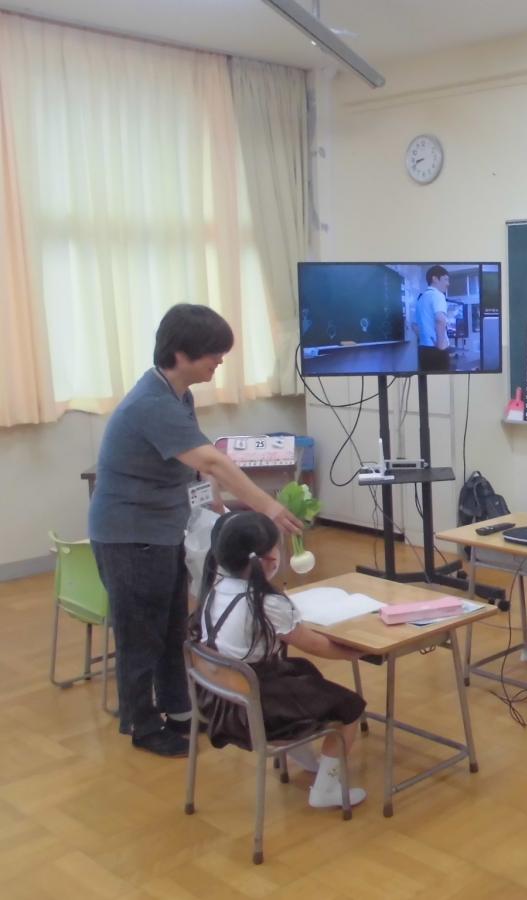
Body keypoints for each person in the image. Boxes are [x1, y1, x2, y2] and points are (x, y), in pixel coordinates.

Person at [88, 303, 304, 757]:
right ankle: (142, 724)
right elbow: (212, 459)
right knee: (140, 633)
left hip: (162, 529)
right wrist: (267, 504)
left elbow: (196, 462)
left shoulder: (176, 395)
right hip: (130, 535)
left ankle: (180, 710)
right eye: (213, 353)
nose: (220, 361)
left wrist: (214, 498)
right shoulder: (151, 404)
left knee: (172, 627)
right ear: (181, 353)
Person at [194, 511, 367, 808]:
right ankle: (325, 790)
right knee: (351, 707)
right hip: (255, 712)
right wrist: (360, 651)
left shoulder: (216, 587)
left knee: (301, 670)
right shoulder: (266, 603)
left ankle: (303, 754)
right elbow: (315, 645)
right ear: (267, 560)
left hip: (219, 701)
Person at [414, 264, 452, 371]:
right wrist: (440, 345)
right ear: (434, 279)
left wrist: (424, 338)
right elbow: (440, 319)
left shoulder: (420, 299)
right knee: (441, 381)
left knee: (426, 379)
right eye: (445, 279)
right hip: (437, 350)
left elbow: (414, 325)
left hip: (423, 350)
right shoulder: (437, 295)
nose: (448, 284)